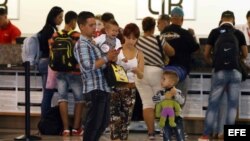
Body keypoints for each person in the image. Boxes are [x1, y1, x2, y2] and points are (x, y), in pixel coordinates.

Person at [198, 10, 248, 141]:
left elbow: (206, 53)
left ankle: (205, 136)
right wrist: (237, 60)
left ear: (221, 20)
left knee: (213, 104)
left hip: (219, 71)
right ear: (233, 20)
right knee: (232, 106)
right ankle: (226, 134)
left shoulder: (215, 32)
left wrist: (214, 63)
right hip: (236, 72)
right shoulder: (238, 33)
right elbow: (246, 54)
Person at [74, 11, 119, 141]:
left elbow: (101, 63)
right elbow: (87, 66)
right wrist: (106, 58)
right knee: (94, 124)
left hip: (102, 87)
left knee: (102, 123)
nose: (95, 27)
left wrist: (111, 58)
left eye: (95, 24)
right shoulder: (82, 44)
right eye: (91, 25)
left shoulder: (92, 43)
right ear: (82, 26)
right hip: (94, 89)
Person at [135, 16, 175, 140]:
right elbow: (172, 52)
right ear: (153, 27)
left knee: (147, 104)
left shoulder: (137, 40)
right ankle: (166, 131)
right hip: (156, 72)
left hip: (141, 72)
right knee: (163, 102)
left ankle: (151, 133)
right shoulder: (159, 38)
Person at [49, 11, 84, 136]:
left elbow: (51, 51)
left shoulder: (55, 35)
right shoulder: (77, 35)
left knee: (62, 98)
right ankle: (75, 129)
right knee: (79, 100)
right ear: (74, 21)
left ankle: (65, 129)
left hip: (60, 71)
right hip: (75, 72)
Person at [109, 23, 144, 141]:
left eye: (134, 38)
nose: (131, 41)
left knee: (125, 122)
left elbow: (141, 75)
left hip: (131, 89)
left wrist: (137, 70)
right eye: (129, 38)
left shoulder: (139, 54)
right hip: (116, 89)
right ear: (124, 36)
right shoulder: (117, 50)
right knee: (114, 120)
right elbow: (110, 67)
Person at [161, 7, 199, 105]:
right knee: (179, 100)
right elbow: (195, 48)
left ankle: (166, 118)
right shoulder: (185, 33)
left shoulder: (163, 32)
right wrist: (193, 36)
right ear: (182, 19)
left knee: (166, 99)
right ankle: (176, 118)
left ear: (171, 18)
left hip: (165, 70)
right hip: (180, 70)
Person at [38, 6, 64, 117]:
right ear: (53, 17)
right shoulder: (50, 30)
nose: (61, 20)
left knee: (48, 92)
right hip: (48, 62)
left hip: (45, 62)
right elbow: (50, 48)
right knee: (48, 93)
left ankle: (45, 119)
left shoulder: (49, 28)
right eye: (60, 17)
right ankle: (45, 121)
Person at [153, 70, 185, 141]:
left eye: (164, 79)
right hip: (165, 118)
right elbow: (154, 99)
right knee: (166, 136)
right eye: (161, 78)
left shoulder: (178, 92)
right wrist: (164, 97)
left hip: (177, 117)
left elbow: (182, 101)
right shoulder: (160, 92)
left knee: (180, 136)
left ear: (171, 83)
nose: (161, 80)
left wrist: (175, 95)